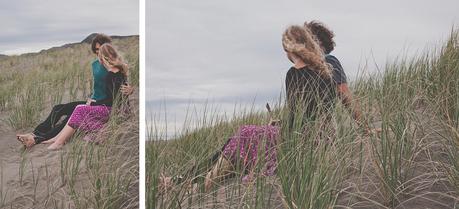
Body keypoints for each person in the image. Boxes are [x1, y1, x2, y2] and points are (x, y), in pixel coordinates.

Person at [16, 34, 134, 148]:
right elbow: (97, 86)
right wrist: (90, 97)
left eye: (101, 49)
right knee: (58, 108)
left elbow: (120, 85)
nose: (99, 52)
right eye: (97, 49)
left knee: (71, 118)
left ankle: (37, 139)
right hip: (93, 100)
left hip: (102, 104)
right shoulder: (95, 65)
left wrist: (130, 89)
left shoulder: (114, 67)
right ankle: (34, 133)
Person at [46, 43, 128, 150]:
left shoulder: (111, 75)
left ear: (102, 58)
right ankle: (58, 138)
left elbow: (111, 100)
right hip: (117, 110)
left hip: (113, 111)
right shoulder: (118, 72)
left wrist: (93, 103)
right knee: (79, 109)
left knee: (80, 109)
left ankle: (60, 142)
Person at [305, 21, 379, 133]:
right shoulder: (301, 68)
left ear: (317, 42)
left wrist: (365, 128)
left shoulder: (328, 61)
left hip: (317, 132)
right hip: (316, 131)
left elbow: (344, 94)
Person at [283, 25, 337, 131]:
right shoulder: (324, 69)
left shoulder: (292, 73)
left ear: (288, 49)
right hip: (327, 133)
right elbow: (329, 108)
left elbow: (295, 113)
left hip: (304, 135)